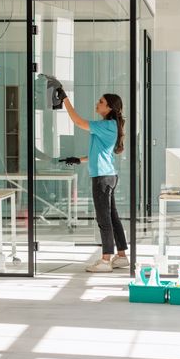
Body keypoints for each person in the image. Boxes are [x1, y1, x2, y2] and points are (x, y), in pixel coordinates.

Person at [59, 91, 128, 273]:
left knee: (103, 219)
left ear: (110, 107)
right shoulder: (110, 125)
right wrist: (78, 160)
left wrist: (65, 99)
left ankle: (105, 260)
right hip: (108, 175)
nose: (97, 103)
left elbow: (78, 122)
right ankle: (121, 256)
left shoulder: (106, 124)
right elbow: (98, 154)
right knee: (112, 218)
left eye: (101, 102)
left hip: (103, 178)